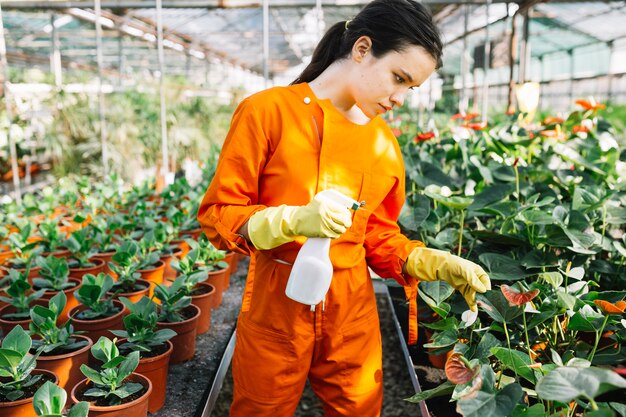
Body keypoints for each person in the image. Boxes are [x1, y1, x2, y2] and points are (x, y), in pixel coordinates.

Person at [198, 0, 491, 415]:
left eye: (411, 88)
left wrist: (425, 259)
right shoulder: (268, 112)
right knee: (260, 408)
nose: (400, 98)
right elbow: (218, 213)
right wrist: (290, 220)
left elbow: (376, 232)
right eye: (398, 78)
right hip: (276, 300)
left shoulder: (383, 144)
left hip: (351, 306)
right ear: (361, 49)